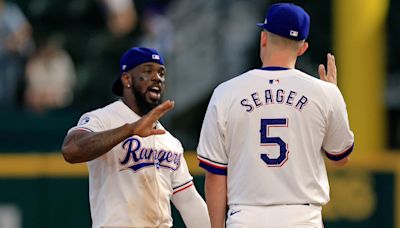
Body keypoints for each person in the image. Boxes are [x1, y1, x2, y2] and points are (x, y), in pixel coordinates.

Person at [196, 3, 354, 228]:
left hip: (246, 216)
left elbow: (214, 175)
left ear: (263, 38)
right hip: (303, 218)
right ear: (302, 48)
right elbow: (340, 157)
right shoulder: (325, 93)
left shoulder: (226, 92)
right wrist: (333, 95)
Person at [62, 47, 211, 228]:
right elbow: (71, 150)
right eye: (147, 71)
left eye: (161, 73)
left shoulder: (170, 141)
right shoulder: (102, 119)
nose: (157, 77)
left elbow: (189, 202)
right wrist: (130, 129)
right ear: (127, 79)